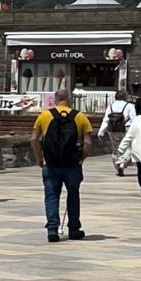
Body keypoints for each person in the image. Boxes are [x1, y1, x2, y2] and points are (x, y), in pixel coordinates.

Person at [32, 87, 93, 243]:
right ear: (69, 99)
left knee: (51, 196)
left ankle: (52, 230)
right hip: (72, 164)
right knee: (73, 195)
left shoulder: (45, 115)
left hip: (51, 163)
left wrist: (40, 158)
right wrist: (81, 159)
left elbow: (33, 139)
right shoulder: (80, 117)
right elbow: (87, 143)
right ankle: (74, 229)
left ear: (55, 99)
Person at [104, 90, 136, 176]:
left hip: (113, 130)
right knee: (129, 148)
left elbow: (106, 120)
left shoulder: (110, 106)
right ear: (125, 97)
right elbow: (134, 119)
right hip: (126, 130)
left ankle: (118, 167)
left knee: (115, 149)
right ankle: (123, 163)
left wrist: (101, 131)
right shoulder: (129, 106)